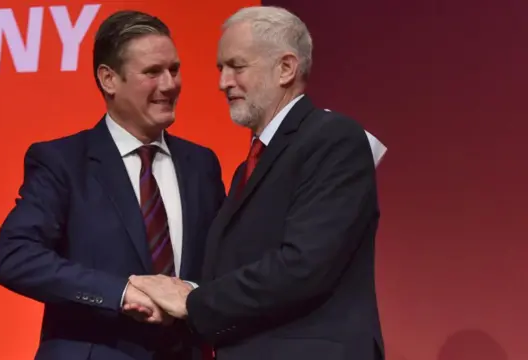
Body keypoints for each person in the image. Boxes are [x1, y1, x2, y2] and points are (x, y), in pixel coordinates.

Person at [128, 6, 386, 360]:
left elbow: (303, 265)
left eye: (237, 66)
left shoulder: (333, 138)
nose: (223, 82)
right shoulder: (248, 168)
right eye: (221, 68)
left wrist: (192, 301)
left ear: (286, 68)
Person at [0, 10, 225, 360]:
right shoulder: (63, 161)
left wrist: (191, 293)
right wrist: (122, 292)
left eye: (173, 69)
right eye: (152, 72)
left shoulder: (201, 164)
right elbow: (15, 257)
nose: (169, 84)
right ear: (109, 79)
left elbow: (223, 263)